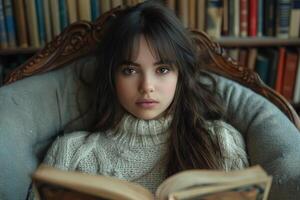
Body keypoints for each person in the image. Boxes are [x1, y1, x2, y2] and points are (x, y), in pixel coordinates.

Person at [28, 1, 248, 198]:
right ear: (112, 76)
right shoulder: (69, 154)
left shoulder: (221, 143)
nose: (146, 87)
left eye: (162, 69)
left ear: (180, 75)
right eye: (130, 70)